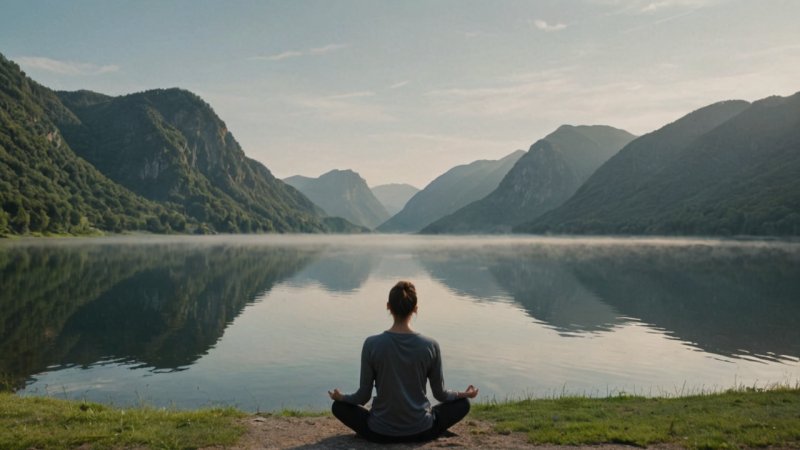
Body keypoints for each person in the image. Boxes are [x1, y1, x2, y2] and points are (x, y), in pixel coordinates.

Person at [328, 280, 479, 443]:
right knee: (463, 404)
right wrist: (464, 394)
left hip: (379, 433)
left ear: (388, 306)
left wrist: (341, 398)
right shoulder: (431, 345)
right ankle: (431, 428)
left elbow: (363, 397)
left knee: (338, 407)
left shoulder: (371, 344)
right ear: (415, 309)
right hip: (422, 431)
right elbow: (440, 395)